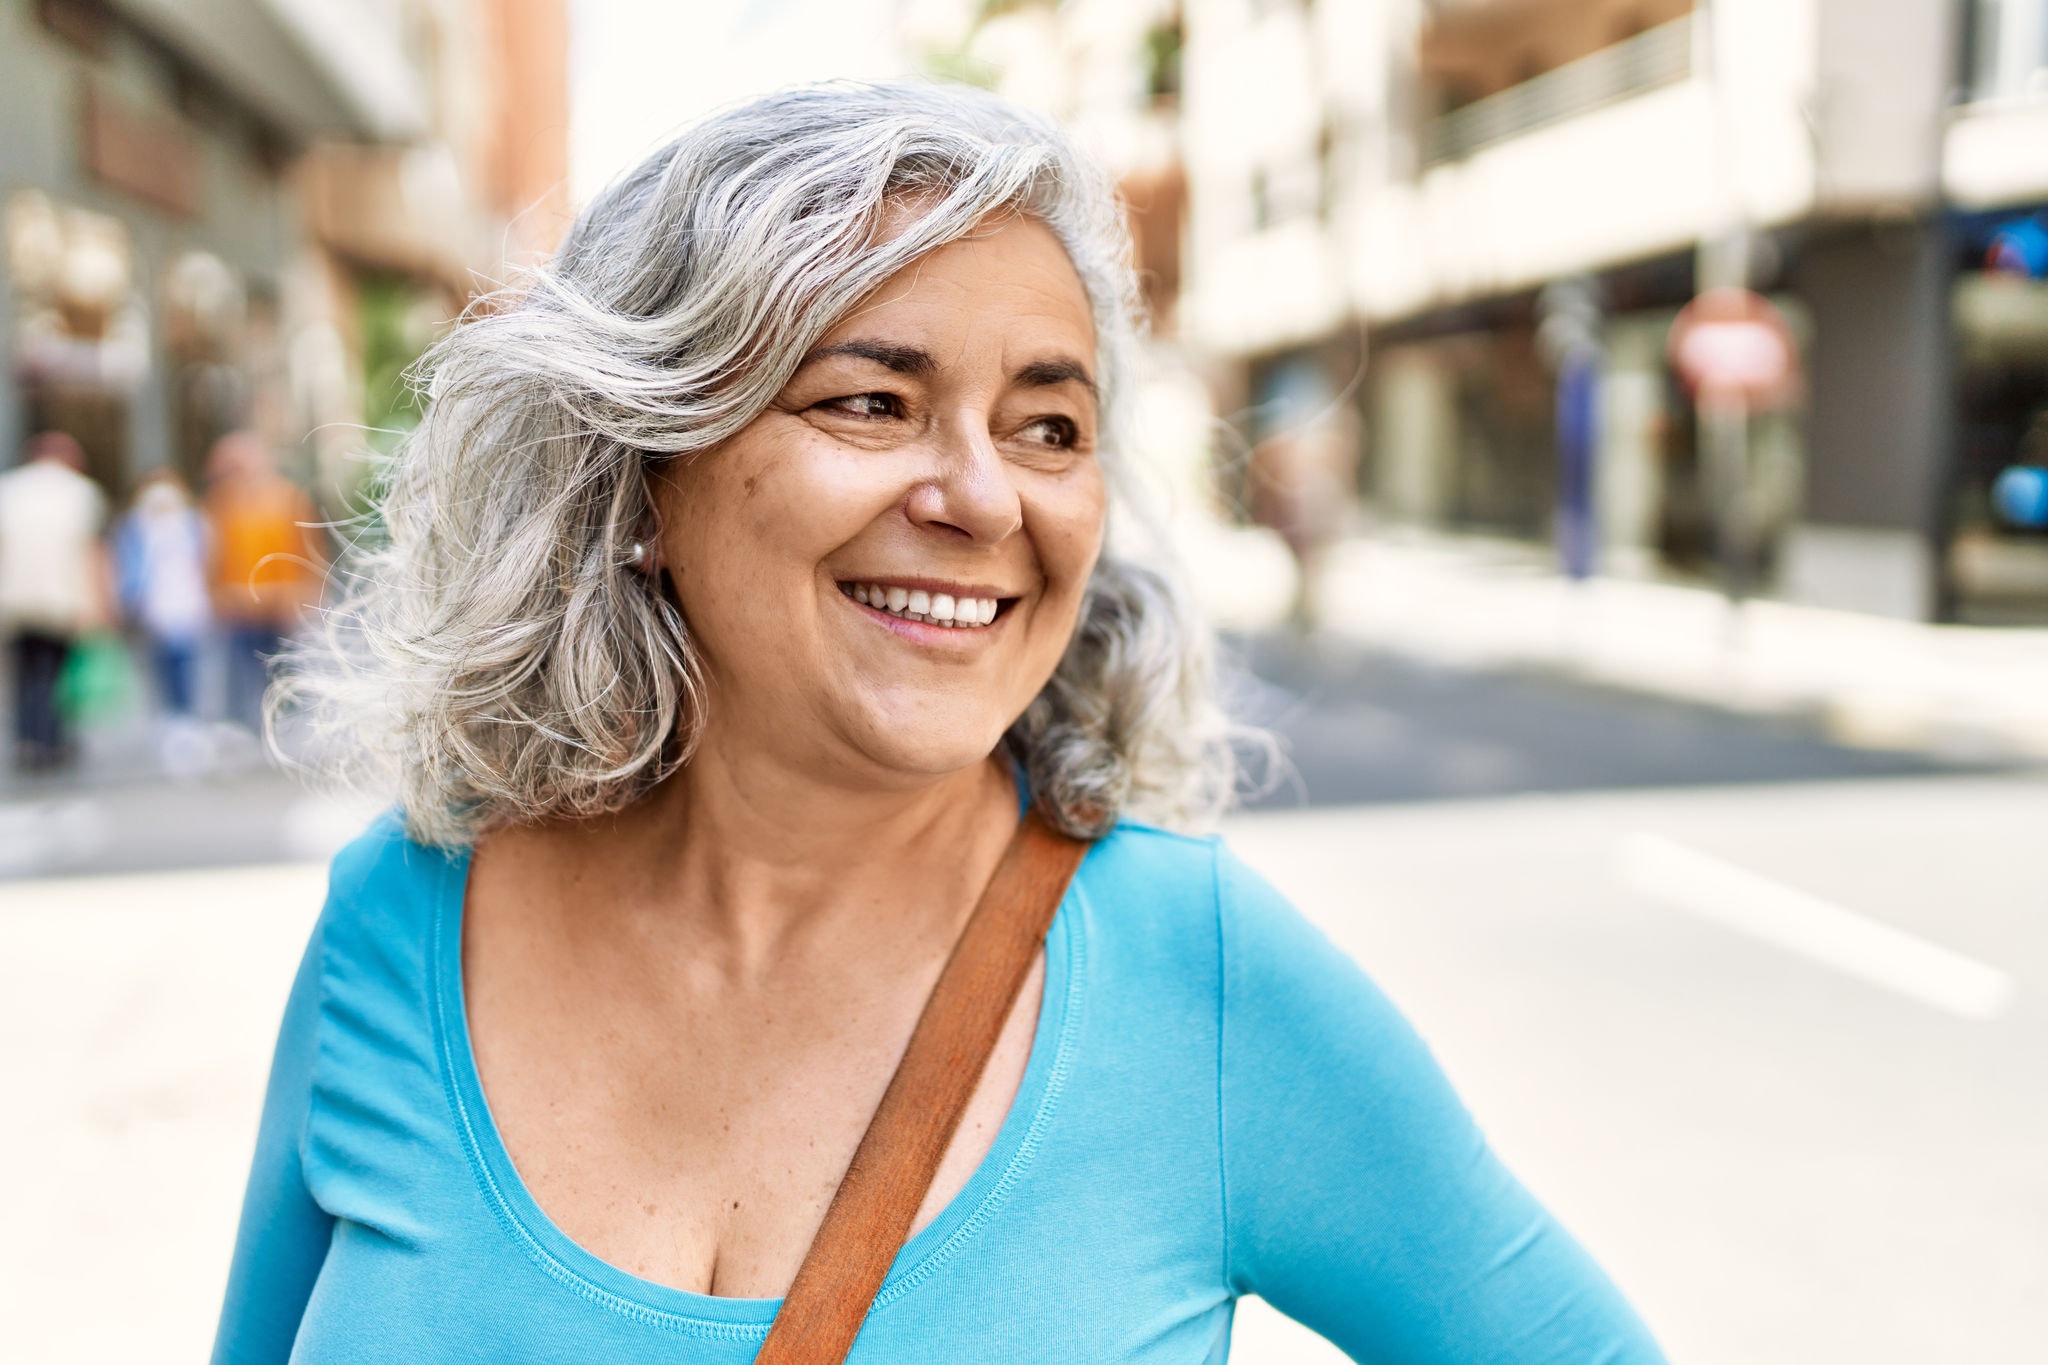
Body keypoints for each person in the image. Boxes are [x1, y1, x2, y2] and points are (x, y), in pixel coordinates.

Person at [215, 85, 1665, 1363]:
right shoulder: (400, 922)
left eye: (1049, 428)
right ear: (642, 475)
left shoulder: (1201, 979)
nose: (983, 498)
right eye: (871, 400)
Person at [0, 431, 108, 772]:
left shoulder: (10, 490)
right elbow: (90, 551)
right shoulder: (80, 492)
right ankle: (49, 740)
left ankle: (27, 738)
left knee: (25, 671)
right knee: (54, 673)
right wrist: (100, 601)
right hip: (62, 596)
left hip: (16, 597)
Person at [201, 431, 320, 731]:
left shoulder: (288, 498)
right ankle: (245, 727)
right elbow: (212, 557)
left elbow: (308, 551)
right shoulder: (221, 505)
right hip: (238, 606)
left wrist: (305, 593)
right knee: (240, 673)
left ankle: (283, 724)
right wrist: (217, 595)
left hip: (280, 603)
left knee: (282, 670)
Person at [115, 469, 211, 718]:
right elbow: (130, 566)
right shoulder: (136, 526)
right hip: (153, 604)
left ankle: (186, 712)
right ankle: (170, 714)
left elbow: (205, 560)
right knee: (159, 663)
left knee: (185, 661)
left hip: (187, 601)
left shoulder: (191, 523)